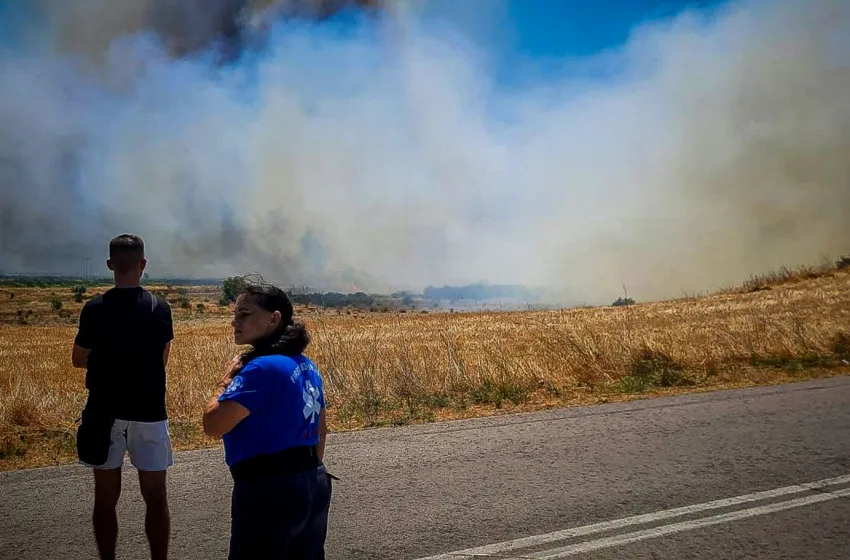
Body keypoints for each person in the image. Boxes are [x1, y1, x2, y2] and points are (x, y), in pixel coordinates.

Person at [203, 281, 332, 560]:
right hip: (313, 481)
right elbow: (321, 430)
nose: (234, 321)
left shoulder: (263, 367)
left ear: (274, 319)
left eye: (244, 314)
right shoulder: (306, 364)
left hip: (269, 489)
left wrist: (225, 381)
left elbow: (212, 424)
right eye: (235, 313)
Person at [71, 233, 175, 560]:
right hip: (149, 412)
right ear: (143, 265)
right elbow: (163, 358)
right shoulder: (160, 307)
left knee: (104, 500)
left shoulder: (94, 308)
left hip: (104, 413)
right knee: (156, 497)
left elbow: (77, 357)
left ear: (109, 265)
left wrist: (107, 358)